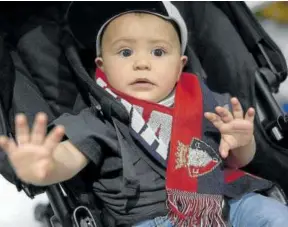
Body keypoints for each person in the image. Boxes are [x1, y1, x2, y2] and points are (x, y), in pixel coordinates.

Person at [0, 2, 288, 227]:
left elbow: (239, 160)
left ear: (180, 65)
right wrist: (43, 167)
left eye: (158, 52)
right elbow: (70, 156)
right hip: (153, 217)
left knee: (271, 214)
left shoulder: (210, 103)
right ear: (102, 66)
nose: (141, 63)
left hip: (228, 201)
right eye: (125, 53)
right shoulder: (99, 120)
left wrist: (242, 142)